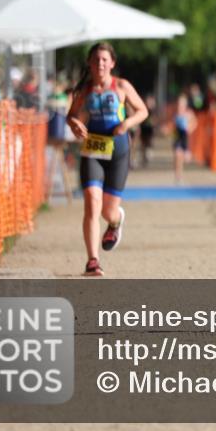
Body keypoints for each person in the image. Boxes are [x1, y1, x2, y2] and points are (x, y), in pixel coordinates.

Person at [67, 43, 148, 276]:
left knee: (107, 212)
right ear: (89, 64)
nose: (100, 64)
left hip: (118, 150)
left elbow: (142, 111)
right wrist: (76, 124)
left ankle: (116, 221)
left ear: (112, 63)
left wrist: (127, 124)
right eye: (96, 60)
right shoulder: (84, 90)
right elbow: (71, 116)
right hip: (92, 149)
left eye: (104, 60)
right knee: (92, 202)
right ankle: (93, 260)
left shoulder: (121, 86)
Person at [173, 94, 197, 184]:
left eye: (182, 103)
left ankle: (180, 174)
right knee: (177, 155)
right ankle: (177, 175)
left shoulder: (189, 113)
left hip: (186, 139)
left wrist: (190, 128)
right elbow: (172, 125)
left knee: (183, 158)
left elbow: (195, 122)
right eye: (179, 103)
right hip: (177, 138)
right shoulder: (176, 113)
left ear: (185, 104)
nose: (180, 105)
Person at [138, 93, 156, 168]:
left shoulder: (153, 111)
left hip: (150, 130)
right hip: (143, 129)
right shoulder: (143, 109)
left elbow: (156, 120)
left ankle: (147, 155)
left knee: (149, 143)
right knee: (143, 144)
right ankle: (144, 158)